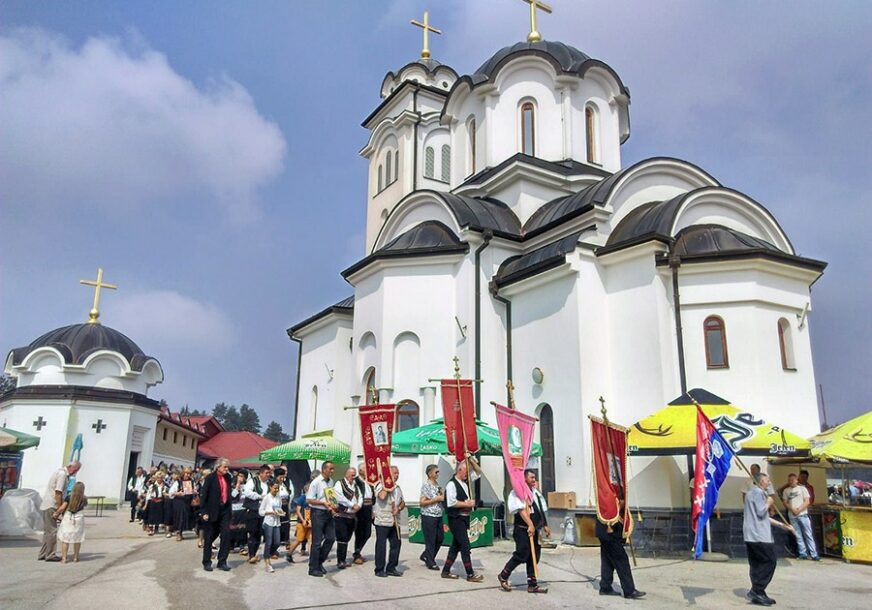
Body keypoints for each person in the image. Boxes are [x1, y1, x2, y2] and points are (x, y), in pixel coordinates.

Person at [744, 472, 795, 606]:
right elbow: (762, 512)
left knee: (756, 563)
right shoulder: (759, 493)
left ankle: (758, 591)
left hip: (751, 535)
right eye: (767, 480)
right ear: (761, 481)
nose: (769, 482)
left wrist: (782, 525)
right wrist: (770, 501)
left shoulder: (751, 493)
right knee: (769, 561)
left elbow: (762, 516)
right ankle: (757, 590)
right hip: (759, 535)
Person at [498, 469, 551, 594]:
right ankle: (504, 575)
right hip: (522, 529)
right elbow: (521, 511)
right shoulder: (517, 493)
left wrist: (544, 525)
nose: (534, 480)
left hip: (534, 529)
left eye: (534, 477)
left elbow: (539, 509)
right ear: (525, 478)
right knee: (522, 553)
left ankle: (532, 584)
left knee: (534, 555)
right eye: (531, 477)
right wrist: (530, 524)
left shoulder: (534, 493)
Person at [441, 455, 484, 582]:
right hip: (455, 518)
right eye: (466, 471)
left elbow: (478, 472)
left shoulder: (466, 482)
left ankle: (446, 571)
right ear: (459, 470)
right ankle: (470, 574)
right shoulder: (451, 485)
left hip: (464, 518)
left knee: (456, 546)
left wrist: (470, 459)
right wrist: (467, 504)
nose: (468, 474)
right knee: (465, 545)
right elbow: (451, 503)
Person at [596, 500, 644, 599]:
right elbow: (612, 506)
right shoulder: (608, 492)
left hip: (604, 532)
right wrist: (620, 504)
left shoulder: (607, 491)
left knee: (607, 561)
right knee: (622, 560)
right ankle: (629, 590)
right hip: (610, 532)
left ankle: (605, 587)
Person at [39, 461, 81, 562]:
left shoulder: (59, 472)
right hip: (52, 505)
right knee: (52, 531)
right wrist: (60, 509)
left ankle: (43, 553)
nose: (74, 473)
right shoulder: (62, 475)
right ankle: (50, 554)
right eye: (75, 470)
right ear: (71, 467)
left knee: (48, 532)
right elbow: (58, 493)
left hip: (47, 504)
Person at [200, 457, 233, 572]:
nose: (227, 469)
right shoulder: (210, 478)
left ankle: (222, 561)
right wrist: (203, 512)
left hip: (225, 511)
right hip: (212, 511)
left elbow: (228, 494)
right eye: (225, 467)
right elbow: (203, 496)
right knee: (209, 537)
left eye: (228, 467)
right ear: (218, 467)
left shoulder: (228, 477)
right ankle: (207, 562)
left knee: (226, 535)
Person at [306, 461, 337, 577]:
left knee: (331, 538)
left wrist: (333, 506)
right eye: (330, 469)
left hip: (328, 512)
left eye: (333, 469)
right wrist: (323, 503)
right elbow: (309, 499)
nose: (332, 471)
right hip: (318, 512)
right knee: (317, 542)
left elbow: (331, 496)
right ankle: (313, 567)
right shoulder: (316, 482)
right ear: (324, 469)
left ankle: (319, 561)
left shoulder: (331, 482)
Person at [373, 465, 404, 577]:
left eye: (397, 473)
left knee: (396, 543)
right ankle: (379, 569)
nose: (396, 475)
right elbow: (381, 496)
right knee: (381, 545)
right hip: (383, 519)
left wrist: (398, 508)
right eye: (394, 473)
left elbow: (402, 502)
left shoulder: (398, 488)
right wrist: (387, 486)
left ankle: (391, 567)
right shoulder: (379, 485)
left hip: (395, 520)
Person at [781, 473, 819, 561]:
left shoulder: (802, 489)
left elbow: (807, 501)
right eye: (789, 480)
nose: (791, 482)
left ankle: (814, 554)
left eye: (792, 480)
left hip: (803, 514)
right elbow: (785, 502)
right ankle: (802, 553)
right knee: (798, 535)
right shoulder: (786, 491)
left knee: (808, 534)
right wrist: (792, 509)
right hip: (792, 515)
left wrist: (799, 509)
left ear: (796, 480)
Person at [334, 466, 362, 569]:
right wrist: (351, 505)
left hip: (352, 515)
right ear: (346, 474)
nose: (353, 477)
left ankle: (343, 559)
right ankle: (340, 560)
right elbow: (339, 498)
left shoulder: (355, 485)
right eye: (352, 475)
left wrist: (358, 505)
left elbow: (360, 497)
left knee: (347, 538)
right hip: (342, 515)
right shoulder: (339, 484)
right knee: (342, 537)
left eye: (354, 475)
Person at [419, 464, 445, 570]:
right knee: (430, 539)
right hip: (428, 515)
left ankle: (427, 555)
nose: (438, 474)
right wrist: (436, 499)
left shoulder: (437, 485)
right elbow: (422, 502)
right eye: (436, 472)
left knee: (440, 537)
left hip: (438, 514)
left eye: (438, 472)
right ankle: (430, 561)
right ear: (430, 474)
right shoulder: (426, 485)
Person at [55, 481, 88, 563]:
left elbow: (63, 507)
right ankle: (76, 557)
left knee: (66, 538)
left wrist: (56, 513)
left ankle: (64, 558)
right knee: (77, 538)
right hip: (79, 518)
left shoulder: (69, 497)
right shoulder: (84, 498)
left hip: (68, 517)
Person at [352, 462, 375, 565]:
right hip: (360, 508)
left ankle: (358, 550)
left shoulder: (370, 481)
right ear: (360, 471)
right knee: (359, 532)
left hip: (369, 507)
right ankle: (357, 553)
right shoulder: (356, 481)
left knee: (368, 532)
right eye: (365, 469)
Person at [259, 483, 283, 573]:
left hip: (276, 522)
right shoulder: (267, 498)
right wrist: (270, 512)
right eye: (275, 488)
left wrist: (280, 513)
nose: (276, 490)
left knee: (277, 542)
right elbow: (261, 511)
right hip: (268, 521)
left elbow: (279, 508)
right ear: (270, 487)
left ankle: (269, 553)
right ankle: (267, 562)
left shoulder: (279, 497)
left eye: (278, 488)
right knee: (268, 542)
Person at [287, 483, 311, 563]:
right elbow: (298, 510)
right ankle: (289, 553)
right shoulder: (302, 498)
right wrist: (303, 520)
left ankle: (312, 558)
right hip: (302, 522)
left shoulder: (313, 499)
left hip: (311, 522)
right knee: (299, 539)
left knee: (311, 540)